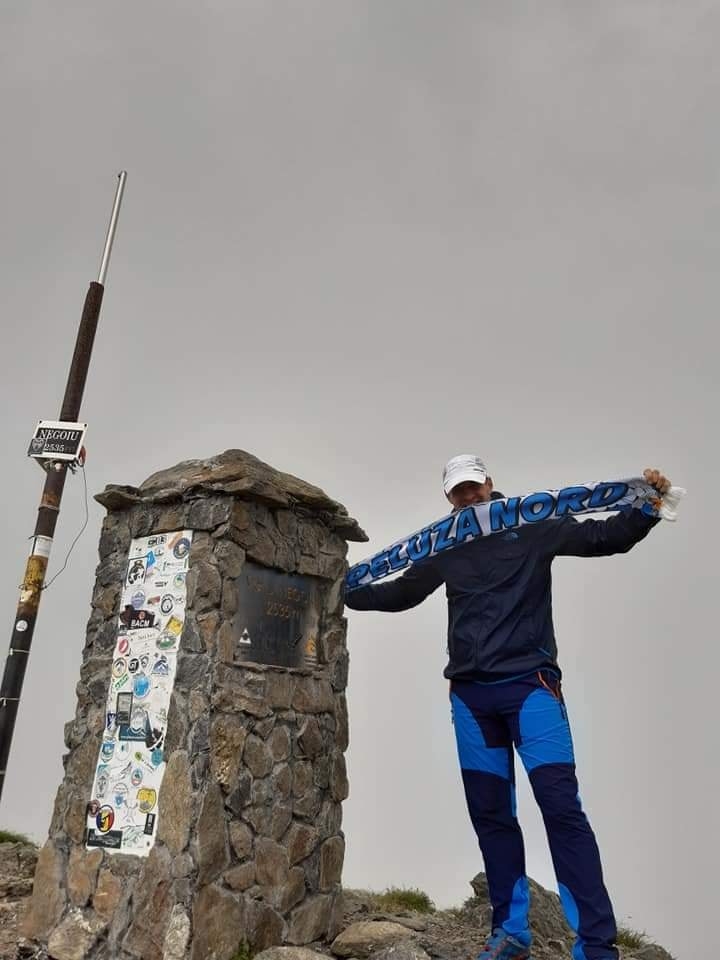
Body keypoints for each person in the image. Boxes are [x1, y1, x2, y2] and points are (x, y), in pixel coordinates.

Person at [344, 455, 671, 960]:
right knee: (491, 816)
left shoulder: (531, 524)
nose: (468, 497)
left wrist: (646, 507)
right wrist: (344, 592)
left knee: (563, 812)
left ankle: (597, 946)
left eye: (474, 487)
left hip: (531, 688)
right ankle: (511, 933)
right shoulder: (446, 544)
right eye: (459, 492)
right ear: (449, 498)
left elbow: (602, 537)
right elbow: (405, 591)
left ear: (490, 485)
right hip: (472, 699)